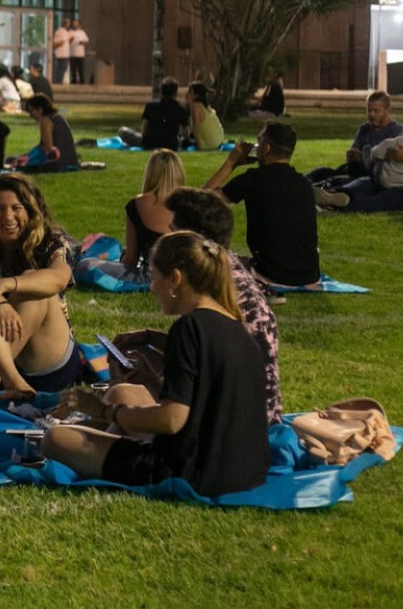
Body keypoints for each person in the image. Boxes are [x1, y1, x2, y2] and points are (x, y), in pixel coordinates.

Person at [45, 231, 269, 498]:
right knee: (123, 391)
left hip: (192, 473)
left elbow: (172, 421)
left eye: (155, 278)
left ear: (175, 279)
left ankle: (100, 444)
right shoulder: (236, 328)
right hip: (245, 470)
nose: (152, 288)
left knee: (56, 439)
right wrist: (151, 382)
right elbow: (207, 405)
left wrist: (104, 411)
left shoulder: (189, 328)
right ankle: (107, 442)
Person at [0, 173, 81, 398]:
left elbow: (59, 278)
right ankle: (11, 380)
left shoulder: (52, 242)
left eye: (16, 207)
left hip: (42, 362)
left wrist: (5, 284)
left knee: (32, 286)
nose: (8, 216)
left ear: (30, 210)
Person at [163, 187, 282, 425]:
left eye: (173, 234)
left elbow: (174, 418)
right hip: (260, 418)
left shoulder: (208, 293)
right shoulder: (232, 271)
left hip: (231, 427)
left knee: (124, 393)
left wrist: (114, 413)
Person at [205, 121, 319, 289]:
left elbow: (202, 201)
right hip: (309, 275)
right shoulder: (304, 183)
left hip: (271, 274)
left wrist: (231, 164)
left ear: (266, 148)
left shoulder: (254, 179)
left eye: (259, 142)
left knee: (209, 257)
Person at [313, 93, 403, 212]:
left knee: (383, 198)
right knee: (365, 183)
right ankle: (331, 195)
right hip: (400, 178)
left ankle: (338, 207)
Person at [74, 149, 184, 288]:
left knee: (85, 265)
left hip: (150, 276)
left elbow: (131, 260)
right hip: (184, 276)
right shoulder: (188, 204)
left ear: (150, 174)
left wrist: (123, 258)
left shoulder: (138, 204)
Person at [306, 91, 401, 184]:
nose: (371, 115)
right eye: (369, 110)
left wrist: (366, 160)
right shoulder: (365, 129)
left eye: (376, 111)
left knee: (335, 181)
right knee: (321, 172)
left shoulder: (397, 132)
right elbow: (354, 151)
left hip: (372, 177)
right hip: (355, 169)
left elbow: (392, 165)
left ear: (388, 110)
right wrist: (352, 156)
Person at [8, 94, 79, 171]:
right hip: (71, 161)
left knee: (11, 159)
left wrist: (27, 157)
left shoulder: (45, 121)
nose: (30, 115)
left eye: (31, 111)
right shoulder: (58, 117)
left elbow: (48, 148)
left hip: (57, 162)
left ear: (40, 109)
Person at [118, 77, 188, 150]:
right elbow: (185, 134)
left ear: (162, 91)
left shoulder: (151, 105)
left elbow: (145, 128)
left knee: (122, 131)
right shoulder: (181, 109)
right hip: (171, 144)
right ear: (175, 92)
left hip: (149, 142)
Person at [185, 82, 225, 151]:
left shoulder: (195, 106)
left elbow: (196, 129)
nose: (186, 95)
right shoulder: (207, 107)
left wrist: (199, 145)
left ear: (196, 96)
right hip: (219, 141)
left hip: (209, 144)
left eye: (190, 93)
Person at [67, 19, 90, 84]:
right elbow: (67, 42)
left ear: (79, 25)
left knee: (81, 68)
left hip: (80, 54)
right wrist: (71, 40)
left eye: (76, 24)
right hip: (72, 54)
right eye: (74, 24)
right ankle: (74, 80)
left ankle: (82, 81)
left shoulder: (82, 32)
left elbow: (86, 42)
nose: (75, 25)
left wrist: (81, 42)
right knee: (73, 69)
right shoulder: (70, 32)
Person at [51, 20, 72, 85]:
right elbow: (62, 41)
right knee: (62, 68)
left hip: (59, 54)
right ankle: (58, 81)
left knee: (60, 68)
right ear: (66, 24)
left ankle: (58, 81)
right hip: (64, 54)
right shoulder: (64, 32)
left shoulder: (58, 31)